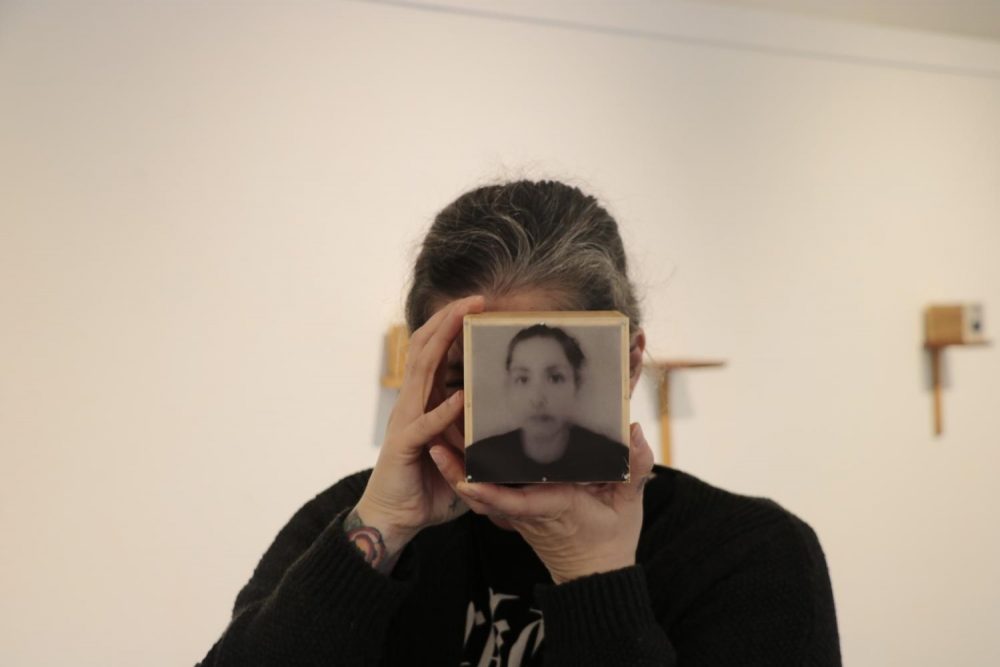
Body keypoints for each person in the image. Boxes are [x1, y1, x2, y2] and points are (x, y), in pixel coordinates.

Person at [198, 180, 841, 666]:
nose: (520, 413)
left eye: (554, 377)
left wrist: (593, 575)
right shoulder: (356, 526)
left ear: (627, 364)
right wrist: (381, 532)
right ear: (420, 373)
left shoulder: (747, 553)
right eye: (463, 380)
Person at [465, 324, 630, 483]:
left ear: (577, 385)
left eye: (555, 378)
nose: (537, 399)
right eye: (522, 379)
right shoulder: (479, 460)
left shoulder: (614, 460)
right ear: (508, 386)